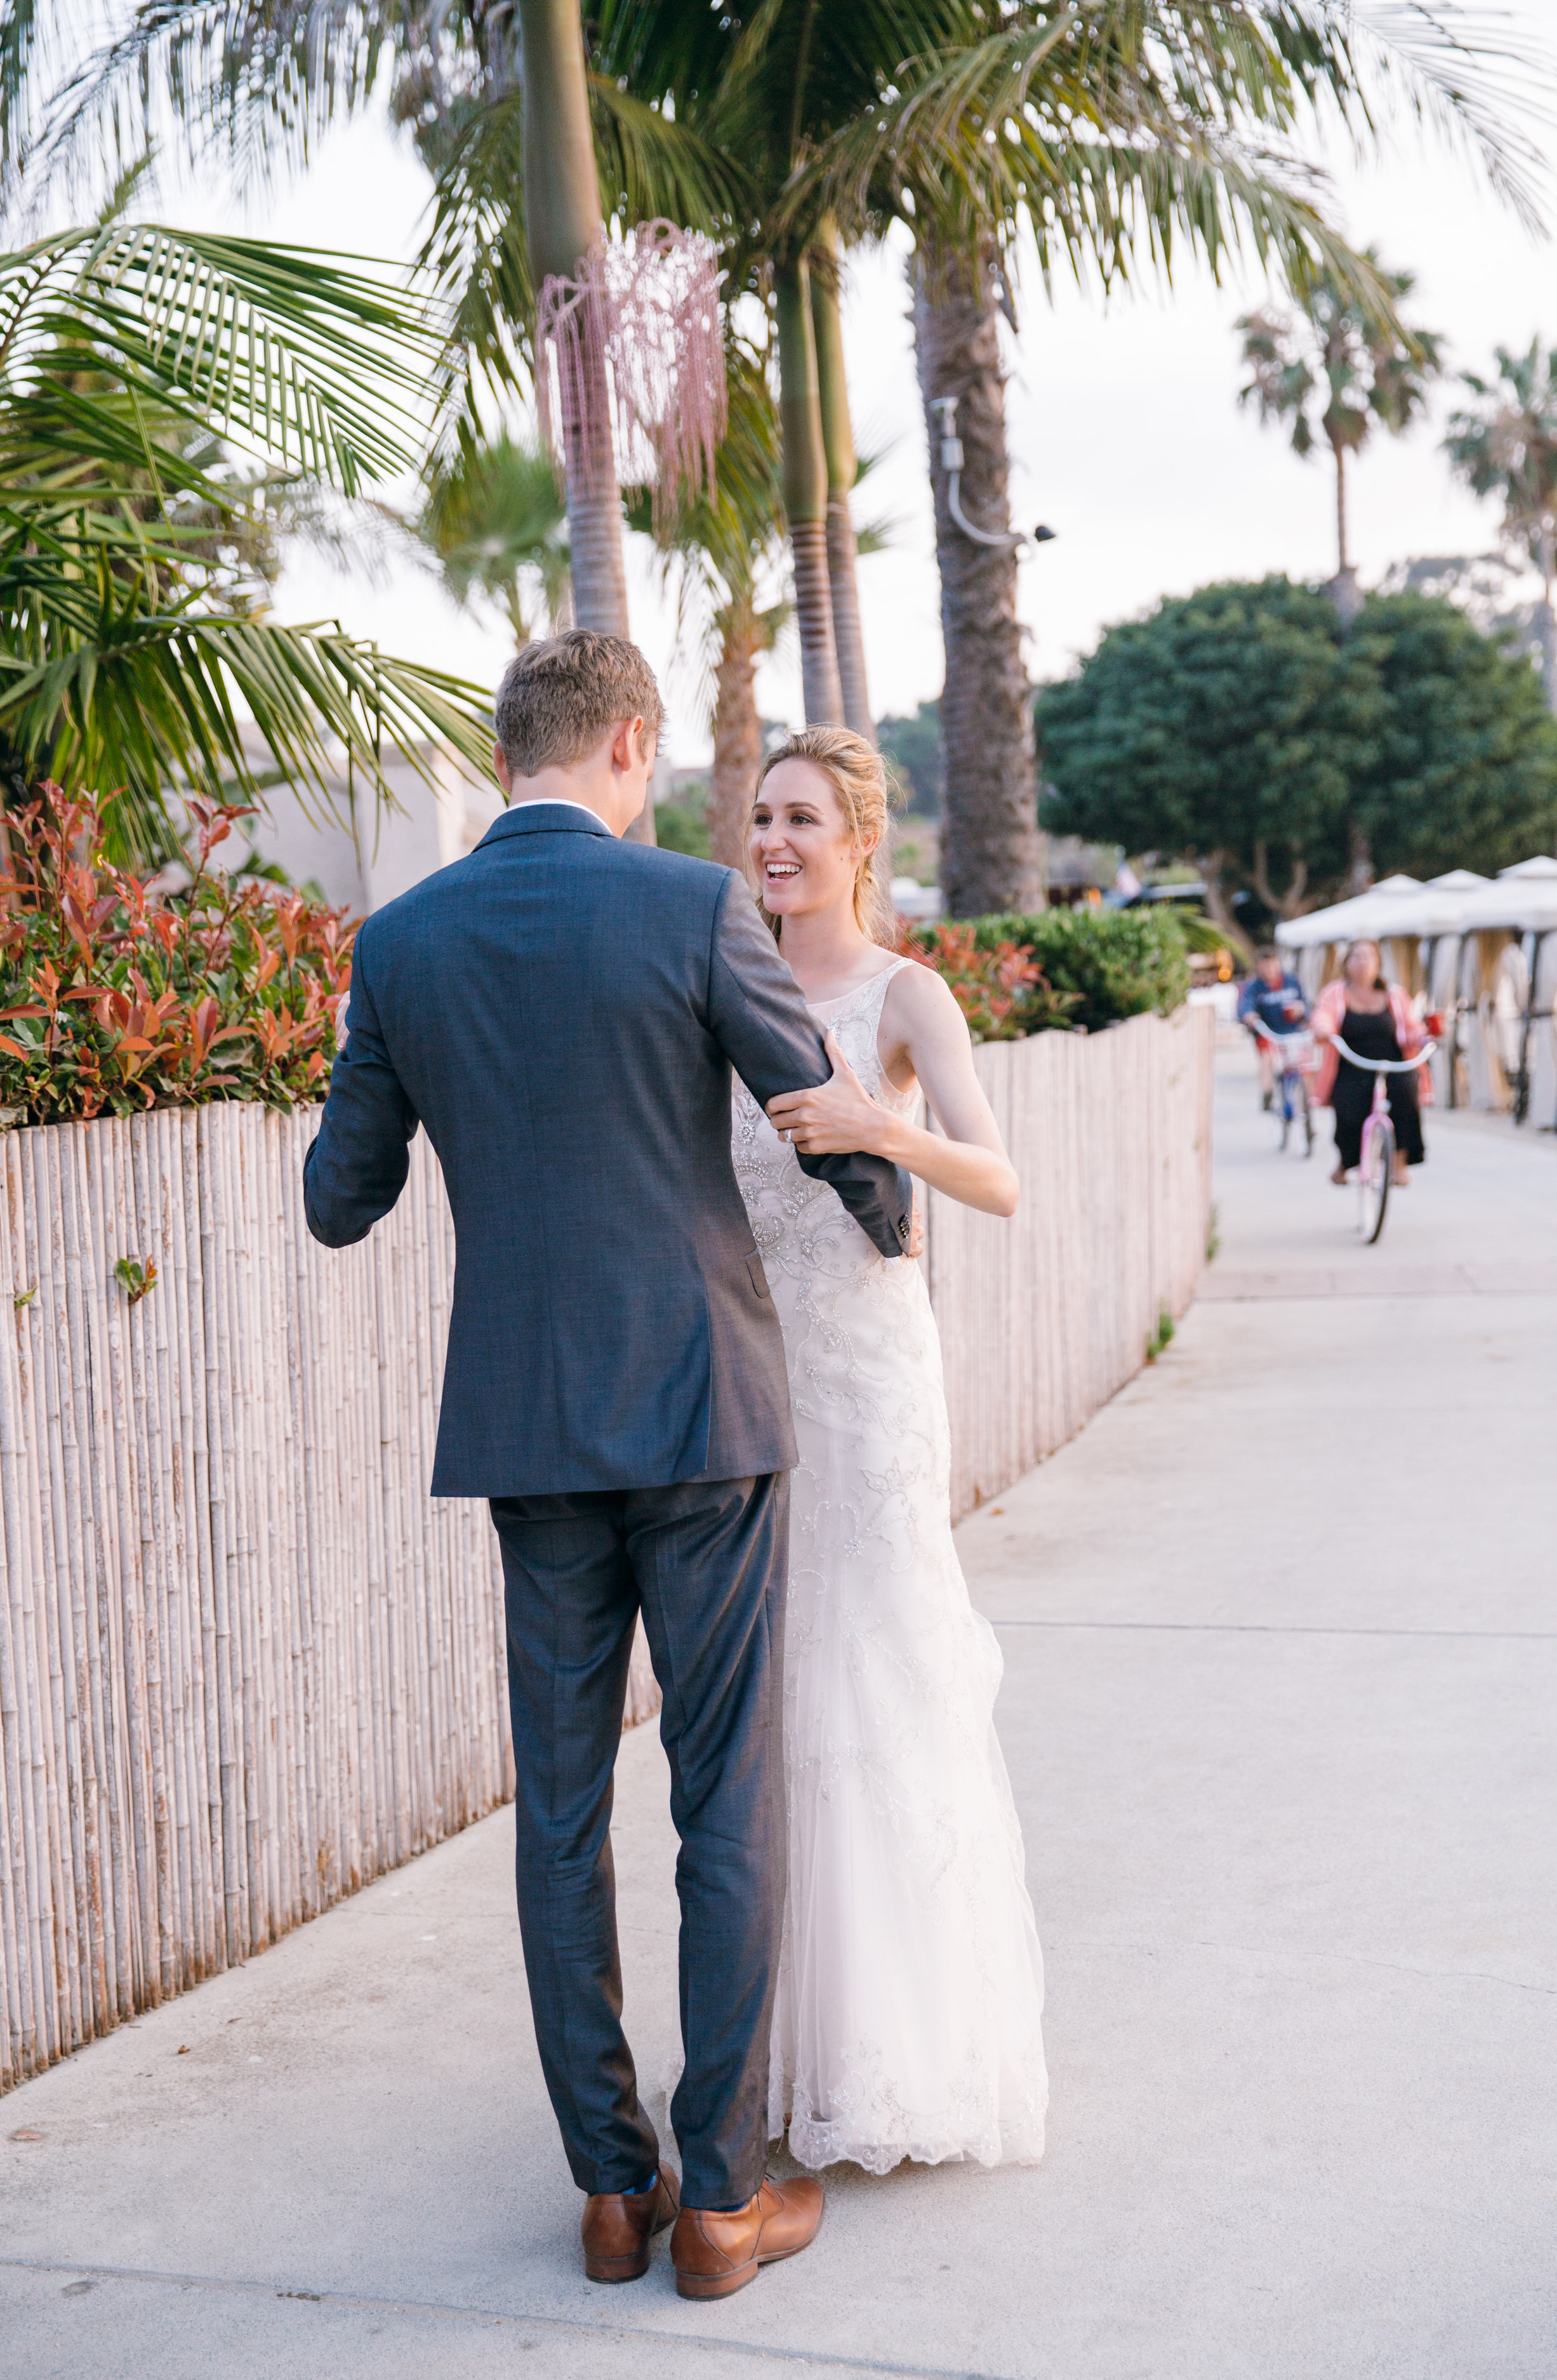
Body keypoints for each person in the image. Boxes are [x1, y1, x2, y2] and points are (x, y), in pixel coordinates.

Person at [302, 631, 912, 2303]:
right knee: (722, 1792)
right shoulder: (688, 905)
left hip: (526, 1429)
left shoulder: (400, 942)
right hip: (703, 1412)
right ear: (630, 742)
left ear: (511, 753)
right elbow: (813, 1101)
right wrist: (890, 1217)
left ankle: (608, 2187)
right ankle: (719, 2198)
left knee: (557, 1808)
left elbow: (336, 1197)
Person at [732, 725, 1049, 2176]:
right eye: (759, 816)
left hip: (871, 1376)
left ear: (861, 840)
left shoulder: (906, 995)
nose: (774, 839)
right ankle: (785, 2034)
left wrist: (882, 1126)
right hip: (752, 1374)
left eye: (802, 817)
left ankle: (901, 2046)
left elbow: (996, 1177)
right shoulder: (725, 984)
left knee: (878, 1669)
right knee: (780, 1692)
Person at [1310, 937, 1430, 1186]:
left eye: (1369, 957)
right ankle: (1346, 1161)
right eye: (1357, 956)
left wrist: (1426, 1035)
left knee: (1407, 1095)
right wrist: (1324, 1030)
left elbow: (1412, 1026)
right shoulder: (1335, 993)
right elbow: (1323, 1016)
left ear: (1378, 963)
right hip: (1352, 1063)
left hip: (1392, 1063)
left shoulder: (1395, 995)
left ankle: (1399, 1164)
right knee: (1349, 1112)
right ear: (1347, 963)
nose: (1363, 962)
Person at [1238, 946, 1307, 1107]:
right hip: (1267, 1032)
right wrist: (1250, 1016)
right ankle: (1267, 1092)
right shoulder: (1254, 987)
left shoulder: (1292, 981)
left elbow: (1306, 1003)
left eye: (1272, 964)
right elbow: (1245, 1007)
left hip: (1292, 1031)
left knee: (1303, 1062)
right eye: (1265, 965)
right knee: (1267, 1057)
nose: (1269, 969)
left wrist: (1302, 1009)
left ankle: (1308, 1101)